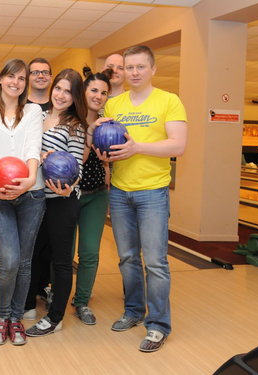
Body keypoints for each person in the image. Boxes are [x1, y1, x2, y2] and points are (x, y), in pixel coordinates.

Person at [98, 45, 187, 352]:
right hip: (121, 191)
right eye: (129, 67)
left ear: (153, 69)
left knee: (155, 261)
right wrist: (102, 153)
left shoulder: (169, 101)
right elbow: (109, 144)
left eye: (139, 67)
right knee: (126, 258)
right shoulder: (114, 104)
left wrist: (138, 148)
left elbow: (178, 145)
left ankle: (158, 324)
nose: (133, 72)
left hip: (153, 192)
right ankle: (134, 311)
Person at [0, 59, 45, 346]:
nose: (15, 82)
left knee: (25, 262)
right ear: (0, 80)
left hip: (31, 195)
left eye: (21, 78)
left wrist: (29, 180)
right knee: (10, 261)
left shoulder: (33, 110)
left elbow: (33, 146)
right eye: (10, 76)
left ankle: (16, 318)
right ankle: (2, 316)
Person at [25, 69, 87, 337]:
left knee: (61, 261)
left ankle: (55, 317)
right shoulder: (35, 116)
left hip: (62, 200)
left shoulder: (75, 125)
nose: (61, 95)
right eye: (58, 88)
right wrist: (39, 153)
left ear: (75, 98)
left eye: (68, 92)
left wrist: (67, 189)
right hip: (35, 197)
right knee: (34, 254)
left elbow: (78, 167)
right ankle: (27, 304)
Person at [71, 68, 112, 325]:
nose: (98, 96)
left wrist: (108, 169)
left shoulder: (108, 122)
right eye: (94, 90)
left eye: (104, 92)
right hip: (68, 194)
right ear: (84, 92)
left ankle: (82, 301)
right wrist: (89, 131)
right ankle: (56, 291)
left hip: (96, 194)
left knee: (89, 252)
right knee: (63, 252)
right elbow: (80, 160)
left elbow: (105, 158)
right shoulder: (72, 119)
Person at [25, 57, 53, 314]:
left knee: (46, 242)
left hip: (54, 185)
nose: (40, 76)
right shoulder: (21, 104)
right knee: (29, 243)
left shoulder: (59, 104)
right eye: (35, 72)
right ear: (28, 77)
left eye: (45, 72)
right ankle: (26, 289)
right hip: (28, 184)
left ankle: (42, 285)